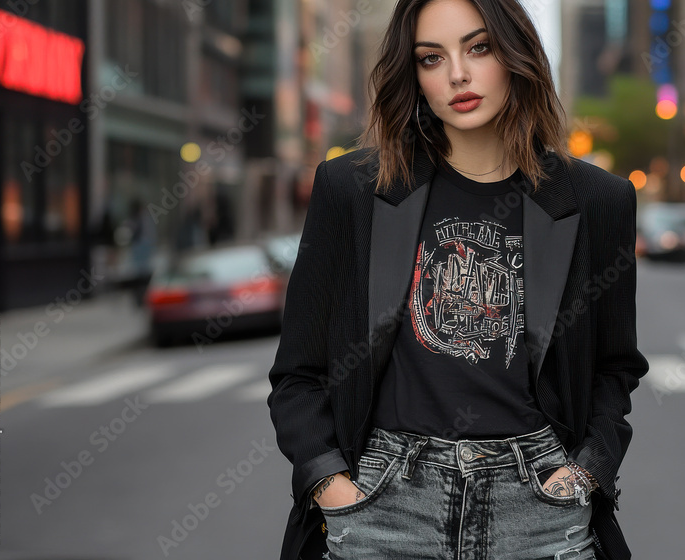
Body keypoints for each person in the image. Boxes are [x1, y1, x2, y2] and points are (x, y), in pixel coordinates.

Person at [266, 1, 649, 559]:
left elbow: (615, 368)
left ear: (517, 55)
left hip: (538, 510)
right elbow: (298, 373)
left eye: (479, 47)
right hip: (384, 508)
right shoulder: (352, 190)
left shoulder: (597, 201)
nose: (457, 75)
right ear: (414, 75)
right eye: (431, 58)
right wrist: (331, 482)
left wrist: (584, 474)